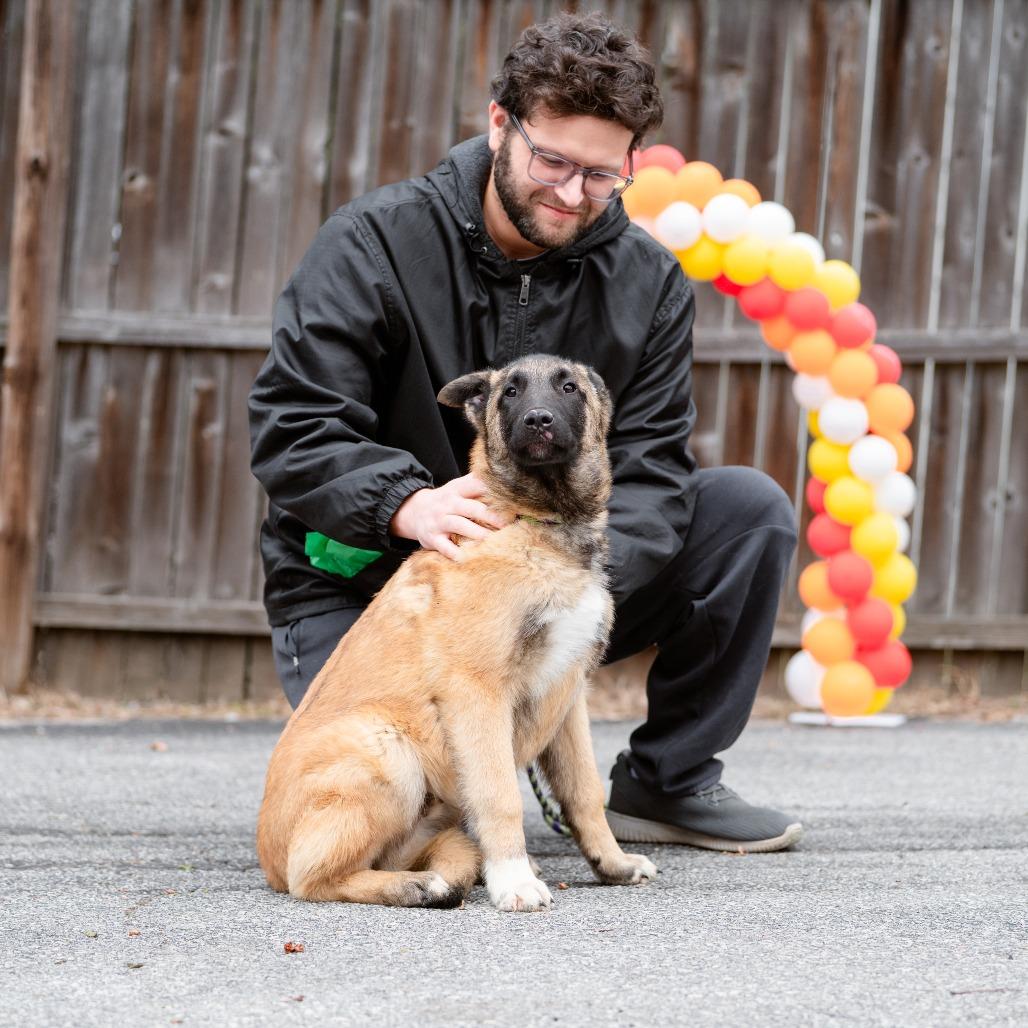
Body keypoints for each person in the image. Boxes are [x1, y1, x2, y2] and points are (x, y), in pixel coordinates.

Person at [249, 11, 802, 852]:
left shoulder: (648, 283)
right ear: (501, 123)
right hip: (375, 588)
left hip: (551, 575)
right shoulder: (375, 241)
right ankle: (479, 785)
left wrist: (554, 588)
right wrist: (408, 504)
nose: (572, 194)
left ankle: (668, 782)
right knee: (406, 802)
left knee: (746, 510)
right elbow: (293, 425)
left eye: (600, 175)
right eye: (553, 161)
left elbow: (651, 468)